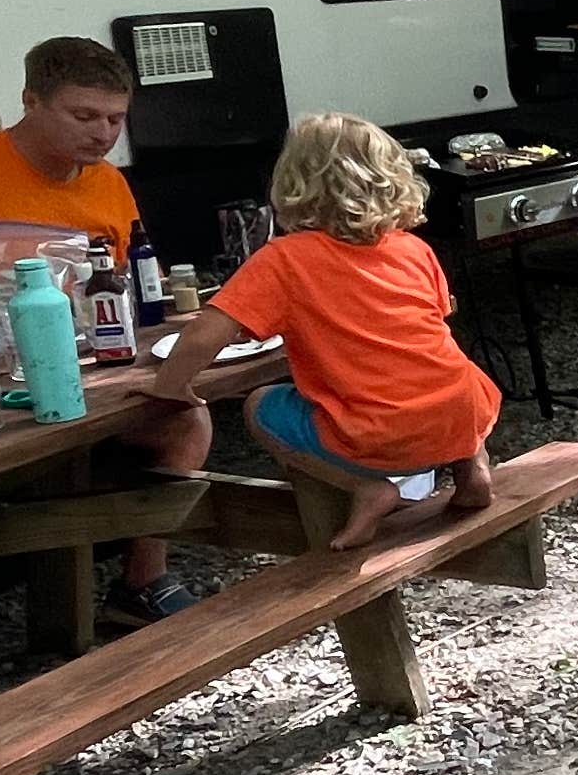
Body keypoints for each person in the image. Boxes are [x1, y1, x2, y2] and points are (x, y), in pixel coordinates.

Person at [0, 34, 208, 626]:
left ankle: (142, 581)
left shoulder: (106, 180)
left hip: (92, 359)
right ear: (30, 101)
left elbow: (132, 277)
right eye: (84, 116)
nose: (103, 134)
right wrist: (20, 289)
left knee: (183, 410)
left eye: (115, 119)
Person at [146, 113, 500, 551]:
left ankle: (364, 487)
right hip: (461, 414)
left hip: (380, 439)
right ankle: (472, 469)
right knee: (449, 379)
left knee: (261, 406)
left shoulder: (284, 259)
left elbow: (203, 335)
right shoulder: (414, 249)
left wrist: (169, 387)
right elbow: (431, 324)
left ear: (292, 184)